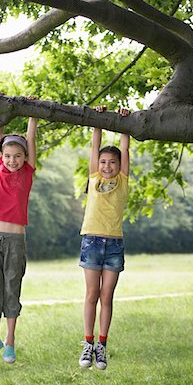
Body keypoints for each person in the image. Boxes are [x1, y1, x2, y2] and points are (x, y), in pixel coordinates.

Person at [0, 94, 38, 364]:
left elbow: (31, 138)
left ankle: (11, 341)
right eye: (7, 155)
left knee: (11, 287)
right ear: (1, 155)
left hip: (16, 240)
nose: (12, 160)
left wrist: (32, 114)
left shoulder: (27, 172)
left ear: (25, 157)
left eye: (18, 156)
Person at [78, 105, 130, 370]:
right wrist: (98, 121)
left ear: (120, 165)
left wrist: (124, 125)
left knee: (106, 297)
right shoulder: (94, 177)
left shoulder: (123, 180)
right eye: (103, 162)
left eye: (112, 162)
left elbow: (126, 146)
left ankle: (102, 345)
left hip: (114, 245)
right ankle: (87, 344)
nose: (107, 166)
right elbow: (94, 146)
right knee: (92, 294)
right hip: (91, 241)